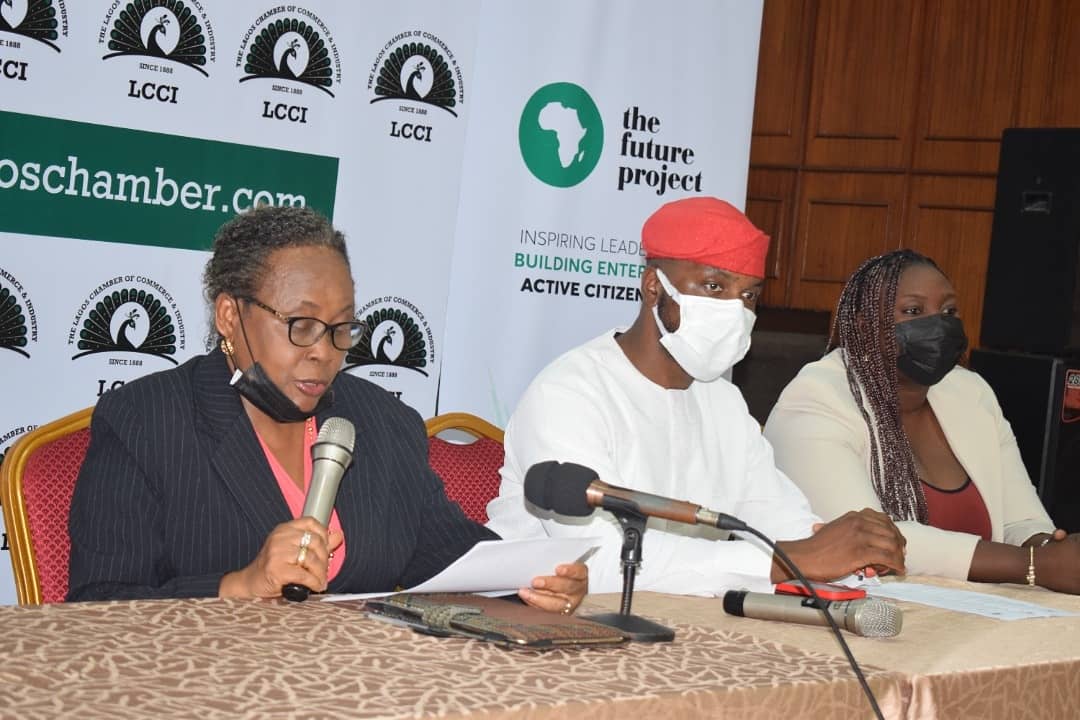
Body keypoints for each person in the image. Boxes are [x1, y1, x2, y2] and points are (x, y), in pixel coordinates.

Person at [67, 205, 587, 613]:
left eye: (341, 328)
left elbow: (450, 555)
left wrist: (532, 581)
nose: (323, 350)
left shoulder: (384, 424)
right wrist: (240, 585)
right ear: (230, 315)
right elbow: (94, 608)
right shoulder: (146, 421)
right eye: (301, 324)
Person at [486, 196, 907, 596]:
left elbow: (777, 516)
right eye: (713, 286)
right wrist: (786, 560)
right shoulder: (569, 392)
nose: (735, 310)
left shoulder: (722, 401)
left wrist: (849, 551)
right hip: (543, 620)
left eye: (749, 295)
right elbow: (595, 559)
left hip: (682, 623)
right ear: (654, 287)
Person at [764, 249, 1080, 593]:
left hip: (984, 611)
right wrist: (1032, 566)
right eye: (914, 311)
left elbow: (1022, 520)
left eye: (948, 311)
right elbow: (868, 543)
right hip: (872, 613)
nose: (939, 324)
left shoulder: (970, 392)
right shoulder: (816, 398)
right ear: (864, 325)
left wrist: (1052, 550)